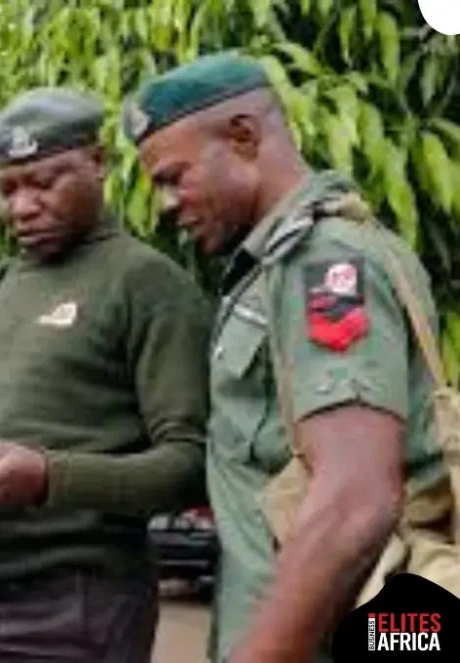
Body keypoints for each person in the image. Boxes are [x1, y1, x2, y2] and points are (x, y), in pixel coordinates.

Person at [123, 52, 447, 663]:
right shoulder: (274, 269)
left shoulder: (322, 263)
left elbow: (356, 499)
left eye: (173, 176)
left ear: (243, 136)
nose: (164, 204)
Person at [0, 87, 211, 663]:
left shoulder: (146, 284)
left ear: (97, 163)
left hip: (77, 607)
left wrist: (48, 478)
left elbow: (189, 465)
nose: (22, 207)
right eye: (8, 188)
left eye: (45, 182)